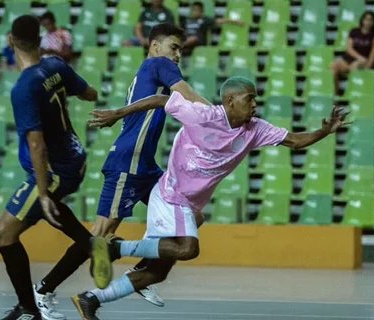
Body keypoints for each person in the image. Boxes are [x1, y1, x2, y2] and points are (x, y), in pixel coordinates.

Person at [72, 77, 350, 318]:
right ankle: (115, 248)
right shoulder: (202, 115)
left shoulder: (255, 129)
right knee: (188, 248)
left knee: (157, 273)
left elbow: (294, 141)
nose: (254, 105)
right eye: (249, 99)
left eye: (255, 99)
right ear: (230, 100)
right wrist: (118, 113)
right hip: (171, 195)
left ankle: (91, 299)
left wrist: (324, 131)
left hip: (188, 205)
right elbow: (161, 99)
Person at [32, 23, 210, 319]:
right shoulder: (160, 64)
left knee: (192, 217)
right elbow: (186, 94)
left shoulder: (150, 69)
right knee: (98, 236)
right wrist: (223, 117)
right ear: (155, 46)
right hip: (128, 163)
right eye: (174, 47)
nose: (178, 55)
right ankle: (43, 289)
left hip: (146, 166)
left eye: (181, 50)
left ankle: (142, 269)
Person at [0, 15, 111, 320]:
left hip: (56, 169)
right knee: (50, 210)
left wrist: (43, 193)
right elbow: (90, 93)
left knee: (4, 233)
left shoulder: (23, 88)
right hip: (75, 158)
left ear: (11, 40)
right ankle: (92, 245)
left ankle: (29, 308)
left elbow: (37, 145)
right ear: (39, 40)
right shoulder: (55, 65)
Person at [329, 11, 374, 93]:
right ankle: (335, 94)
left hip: (364, 62)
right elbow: (349, 48)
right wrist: (358, 57)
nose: (368, 22)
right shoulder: (354, 31)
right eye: (366, 19)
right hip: (349, 60)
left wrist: (362, 61)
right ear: (362, 21)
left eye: (371, 20)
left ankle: (353, 94)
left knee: (355, 67)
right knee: (333, 66)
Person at [180, 1, 245, 53]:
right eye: (193, 10)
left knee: (194, 38)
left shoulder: (204, 20)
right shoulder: (186, 21)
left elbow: (220, 21)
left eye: (197, 10)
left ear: (201, 12)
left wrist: (236, 21)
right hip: (186, 41)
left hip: (198, 43)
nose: (194, 12)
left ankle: (180, 45)